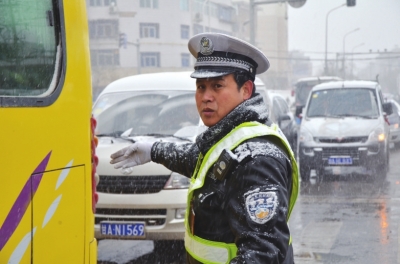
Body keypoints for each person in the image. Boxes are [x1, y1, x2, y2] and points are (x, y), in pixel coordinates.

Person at [110, 33, 299, 264]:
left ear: (246, 90)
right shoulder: (229, 136)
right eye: (201, 86)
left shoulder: (256, 159)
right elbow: (203, 163)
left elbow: (262, 254)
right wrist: (154, 150)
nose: (206, 97)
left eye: (217, 86)